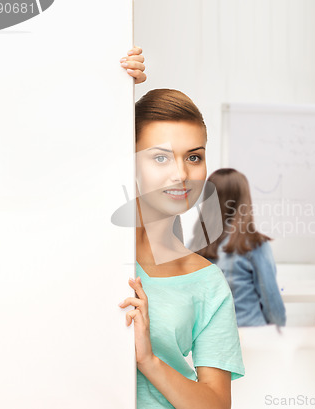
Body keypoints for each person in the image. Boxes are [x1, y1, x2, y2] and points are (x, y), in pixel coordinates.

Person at [118, 57, 244, 408]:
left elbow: (217, 403)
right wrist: (110, 82)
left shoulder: (207, 281)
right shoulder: (101, 248)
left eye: (193, 157)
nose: (181, 174)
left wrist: (150, 361)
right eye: (160, 158)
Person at [195, 168, 286, 327]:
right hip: (250, 334)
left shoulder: (195, 246)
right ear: (244, 201)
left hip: (211, 338)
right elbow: (271, 301)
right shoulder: (255, 245)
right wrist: (279, 328)